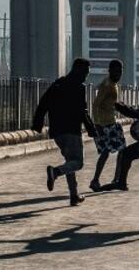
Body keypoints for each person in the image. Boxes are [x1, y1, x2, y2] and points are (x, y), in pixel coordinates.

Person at [31, 58, 96, 206]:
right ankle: (55, 172)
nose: (86, 75)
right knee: (78, 163)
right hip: (71, 130)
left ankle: (74, 195)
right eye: (86, 72)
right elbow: (83, 111)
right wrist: (91, 129)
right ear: (78, 70)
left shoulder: (58, 83)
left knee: (70, 161)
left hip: (57, 132)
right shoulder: (79, 87)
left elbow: (43, 102)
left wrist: (38, 123)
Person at [89, 60, 126, 192]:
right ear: (110, 70)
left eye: (121, 70)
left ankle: (110, 178)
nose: (119, 73)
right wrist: (97, 124)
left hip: (111, 122)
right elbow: (96, 104)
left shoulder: (115, 85)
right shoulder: (107, 85)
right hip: (105, 124)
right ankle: (112, 179)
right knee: (116, 151)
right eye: (116, 70)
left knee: (114, 151)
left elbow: (111, 103)